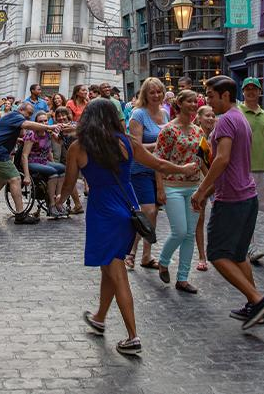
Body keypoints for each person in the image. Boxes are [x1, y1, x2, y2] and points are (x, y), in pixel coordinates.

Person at [54, 99, 200, 355]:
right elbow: (159, 165)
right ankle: (99, 317)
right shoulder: (127, 143)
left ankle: (133, 336)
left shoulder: (79, 147)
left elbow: (68, 184)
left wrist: (60, 201)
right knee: (111, 264)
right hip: (128, 208)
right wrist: (184, 169)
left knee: (116, 271)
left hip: (103, 212)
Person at [192, 76, 264, 330]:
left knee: (217, 254)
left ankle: (256, 299)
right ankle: (255, 305)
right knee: (239, 255)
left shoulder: (227, 120)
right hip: (248, 196)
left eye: (210, 96)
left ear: (225, 95)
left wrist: (202, 191)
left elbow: (222, 159)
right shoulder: (240, 117)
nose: (207, 100)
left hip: (232, 199)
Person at [154, 89, 204, 293]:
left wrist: (206, 186)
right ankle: (163, 261)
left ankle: (183, 278)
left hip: (193, 186)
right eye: (190, 102)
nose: (193, 105)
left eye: (196, 102)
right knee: (180, 231)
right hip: (172, 185)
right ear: (179, 104)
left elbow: (203, 159)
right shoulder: (168, 130)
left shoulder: (198, 131)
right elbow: (158, 160)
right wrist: (160, 188)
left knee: (190, 234)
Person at [0, 101, 55, 224]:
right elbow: (27, 124)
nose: (29, 116)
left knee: (0, 181)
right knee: (15, 179)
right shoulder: (15, 116)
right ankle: (20, 215)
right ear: (21, 109)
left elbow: (14, 133)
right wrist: (49, 127)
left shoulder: (11, 118)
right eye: (28, 113)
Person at [125, 77, 168, 270]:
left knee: (153, 213)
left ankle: (146, 255)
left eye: (159, 91)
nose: (156, 95)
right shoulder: (138, 114)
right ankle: (131, 253)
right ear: (145, 94)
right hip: (140, 169)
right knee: (147, 211)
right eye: (152, 92)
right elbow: (135, 147)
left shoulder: (165, 113)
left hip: (159, 169)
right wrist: (158, 145)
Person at [239, 77, 264, 265]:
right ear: (243, 92)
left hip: (260, 169)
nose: (250, 92)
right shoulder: (237, 112)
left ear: (259, 92)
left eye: (254, 89)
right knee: (244, 209)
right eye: (247, 89)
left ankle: (245, 243)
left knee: (254, 209)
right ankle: (248, 246)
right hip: (240, 169)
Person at [22, 111, 68, 218]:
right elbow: (24, 155)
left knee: (62, 169)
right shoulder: (32, 134)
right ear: (36, 123)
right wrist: (27, 175)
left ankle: (58, 201)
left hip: (43, 161)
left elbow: (50, 150)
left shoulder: (48, 133)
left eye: (45, 120)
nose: (44, 123)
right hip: (32, 162)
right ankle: (51, 205)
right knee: (53, 172)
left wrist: (53, 163)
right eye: (40, 121)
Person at [194, 105, 216, 272]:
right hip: (203, 179)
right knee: (200, 218)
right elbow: (199, 160)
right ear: (199, 117)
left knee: (219, 217)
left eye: (212, 115)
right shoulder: (197, 135)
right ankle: (202, 256)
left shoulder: (217, 134)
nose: (210, 118)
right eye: (207, 116)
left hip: (216, 180)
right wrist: (210, 180)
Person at [51, 106, 84, 213]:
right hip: (72, 158)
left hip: (83, 156)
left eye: (63, 115)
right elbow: (61, 142)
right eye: (58, 116)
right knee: (70, 180)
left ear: (68, 115)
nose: (61, 118)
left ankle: (78, 204)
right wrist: (55, 137)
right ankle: (78, 205)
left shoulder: (74, 125)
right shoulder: (60, 129)